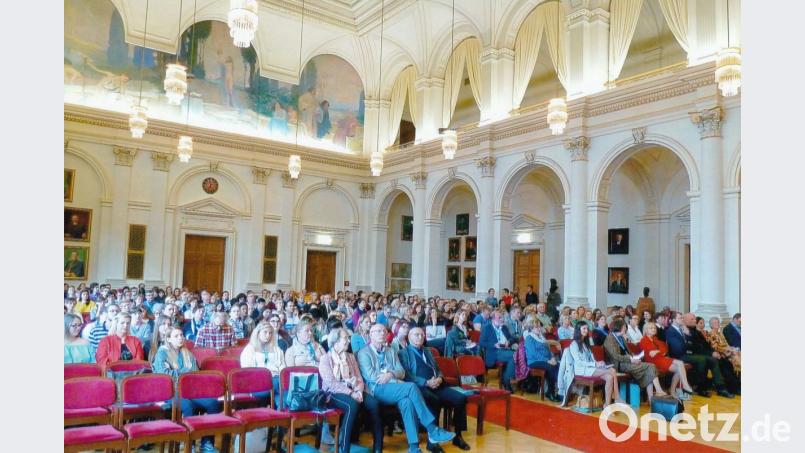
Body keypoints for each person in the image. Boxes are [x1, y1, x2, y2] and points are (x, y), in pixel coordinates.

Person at [356, 324, 456, 453]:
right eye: (378, 331)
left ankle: (414, 447)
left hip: (395, 387)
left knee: (407, 403)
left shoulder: (391, 350)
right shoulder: (363, 353)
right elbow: (372, 377)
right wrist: (392, 376)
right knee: (411, 387)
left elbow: (401, 372)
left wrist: (390, 374)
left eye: (384, 331)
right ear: (371, 334)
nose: (382, 333)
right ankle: (432, 429)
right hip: (377, 390)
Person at [399, 327, 472, 451]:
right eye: (417, 335)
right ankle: (432, 441)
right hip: (420, 387)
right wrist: (426, 382)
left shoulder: (428, 351)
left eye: (422, 335)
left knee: (461, 398)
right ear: (409, 337)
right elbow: (406, 375)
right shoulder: (403, 353)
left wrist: (440, 378)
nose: (420, 337)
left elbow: (437, 370)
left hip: (437, 385)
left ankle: (458, 436)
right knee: (434, 399)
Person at [152, 327, 219, 453]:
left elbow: (194, 372)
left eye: (182, 335)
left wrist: (175, 371)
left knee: (213, 403)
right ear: (168, 339)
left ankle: (207, 443)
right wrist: (184, 371)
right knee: (188, 406)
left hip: (190, 389)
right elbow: (164, 375)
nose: (180, 338)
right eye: (176, 336)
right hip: (170, 392)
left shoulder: (187, 352)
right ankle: (190, 444)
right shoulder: (162, 353)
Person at [319, 328, 367, 453]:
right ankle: (344, 447)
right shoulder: (325, 359)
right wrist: (352, 393)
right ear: (336, 342)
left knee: (373, 403)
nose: (348, 341)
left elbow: (358, 377)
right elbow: (331, 383)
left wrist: (359, 391)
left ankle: (377, 446)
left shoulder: (350, 357)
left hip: (352, 390)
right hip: (332, 394)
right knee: (352, 405)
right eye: (345, 338)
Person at [665, 312, 733, 398]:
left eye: (682, 318)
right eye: (680, 318)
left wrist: (712, 352)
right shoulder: (672, 330)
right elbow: (680, 348)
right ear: (674, 320)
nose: (694, 321)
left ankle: (721, 388)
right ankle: (700, 387)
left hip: (690, 354)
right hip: (679, 356)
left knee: (714, 360)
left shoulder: (686, 329)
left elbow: (699, 345)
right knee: (703, 359)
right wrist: (688, 336)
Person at [603, 318, 666, 402]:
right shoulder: (610, 339)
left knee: (650, 368)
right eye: (624, 327)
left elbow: (628, 351)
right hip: (618, 364)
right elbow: (615, 356)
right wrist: (631, 360)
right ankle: (658, 392)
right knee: (650, 367)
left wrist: (635, 357)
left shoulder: (621, 337)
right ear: (620, 327)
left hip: (628, 361)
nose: (626, 328)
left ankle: (652, 398)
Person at [564, 323, 623, 408]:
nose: (586, 331)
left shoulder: (586, 344)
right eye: (584, 329)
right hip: (581, 370)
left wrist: (599, 364)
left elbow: (592, 359)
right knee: (612, 371)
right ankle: (617, 396)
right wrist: (595, 364)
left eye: (587, 329)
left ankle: (607, 404)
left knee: (609, 377)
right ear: (578, 330)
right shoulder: (574, 344)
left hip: (590, 368)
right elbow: (579, 362)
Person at [639, 322, 694, 399]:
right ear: (646, 330)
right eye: (651, 328)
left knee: (680, 366)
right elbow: (651, 353)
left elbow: (664, 349)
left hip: (660, 359)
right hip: (653, 361)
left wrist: (658, 351)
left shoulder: (655, 339)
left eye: (654, 328)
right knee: (679, 364)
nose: (653, 329)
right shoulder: (644, 340)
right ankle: (684, 386)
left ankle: (673, 389)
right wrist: (659, 351)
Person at [240, 322, 286, 399]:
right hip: (257, 382)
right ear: (258, 333)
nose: (268, 335)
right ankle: (289, 407)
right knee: (280, 386)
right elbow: (247, 370)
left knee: (279, 389)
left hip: (275, 379)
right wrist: (267, 375)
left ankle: (281, 409)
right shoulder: (249, 349)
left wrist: (279, 374)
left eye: (270, 333)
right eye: (265, 332)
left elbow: (282, 366)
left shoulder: (276, 349)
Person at [522, 318, 561, 402]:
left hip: (545, 360)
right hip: (534, 361)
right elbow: (534, 353)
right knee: (551, 367)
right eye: (536, 327)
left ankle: (558, 391)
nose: (539, 329)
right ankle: (551, 392)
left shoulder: (541, 337)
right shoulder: (529, 338)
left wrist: (552, 357)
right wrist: (547, 360)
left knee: (558, 365)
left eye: (539, 327)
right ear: (531, 329)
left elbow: (548, 350)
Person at [479, 311, 516, 391]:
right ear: (492, 319)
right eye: (499, 318)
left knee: (514, 357)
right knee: (514, 355)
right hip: (494, 352)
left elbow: (512, 338)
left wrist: (508, 341)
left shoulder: (504, 327)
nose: (501, 319)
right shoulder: (487, 327)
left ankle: (505, 380)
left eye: (502, 317)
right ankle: (506, 382)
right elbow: (481, 343)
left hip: (505, 349)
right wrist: (493, 345)